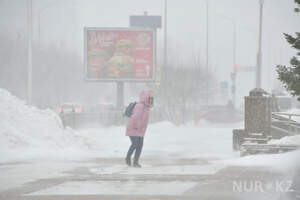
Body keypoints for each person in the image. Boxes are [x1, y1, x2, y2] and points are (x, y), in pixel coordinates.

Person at [125, 90, 153, 168]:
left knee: (140, 145)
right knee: (135, 144)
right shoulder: (140, 106)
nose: (151, 100)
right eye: (149, 98)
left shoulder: (146, 107)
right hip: (133, 128)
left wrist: (141, 128)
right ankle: (128, 158)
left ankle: (136, 162)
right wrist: (137, 126)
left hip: (140, 130)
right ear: (145, 98)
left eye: (151, 98)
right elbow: (135, 117)